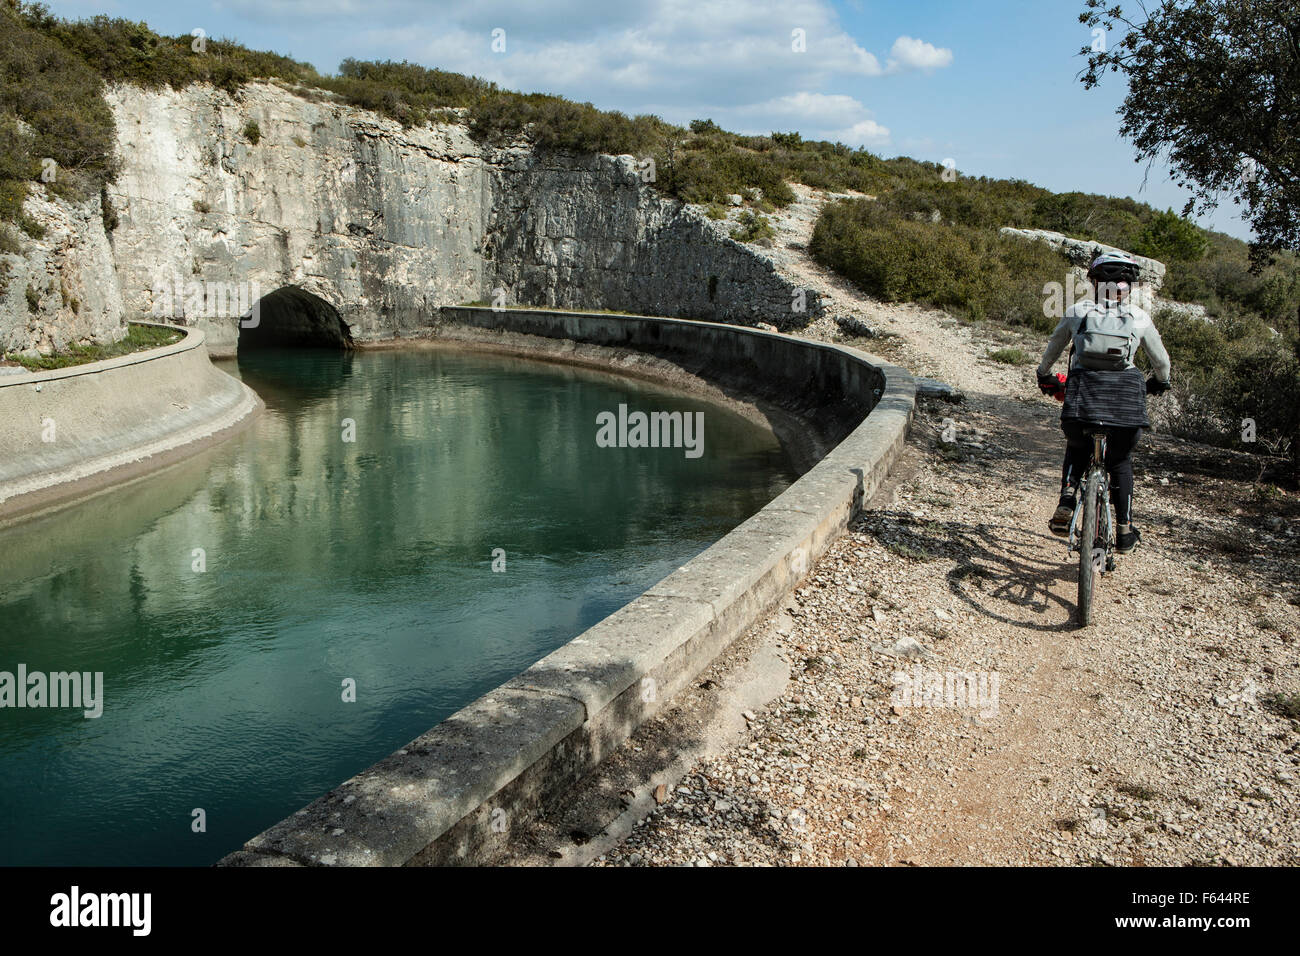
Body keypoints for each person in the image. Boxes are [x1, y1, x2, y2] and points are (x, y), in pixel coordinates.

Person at [1036, 252, 1172, 554]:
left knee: (1077, 445)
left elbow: (1054, 347)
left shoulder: (1078, 310)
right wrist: (1160, 382)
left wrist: (1045, 375)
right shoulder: (1139, 317)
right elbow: (1162, 363)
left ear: (1094, 282)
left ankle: (1067, 500)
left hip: (1083, 399)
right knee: (1120, 460)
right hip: (1125, 404)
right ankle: (1123, 531)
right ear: (1131, 287)